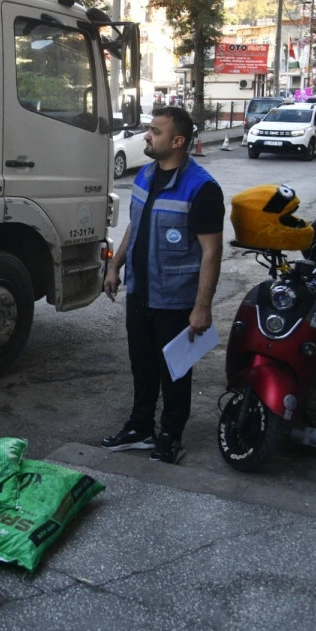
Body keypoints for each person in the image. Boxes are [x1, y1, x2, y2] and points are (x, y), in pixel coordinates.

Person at [101, 106, 225, 465]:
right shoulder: (146, 174)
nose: (147, 135)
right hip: (140, 291)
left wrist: (202, 307)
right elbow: (135, 225)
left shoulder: (202, 188)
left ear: (178, 141)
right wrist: (115, 266)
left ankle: (171, 434)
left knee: (175, 371)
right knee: (142, 365)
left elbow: (211, 251)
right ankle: (140, 428)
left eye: (155, 131)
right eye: (149, 129)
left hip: (176, 299)